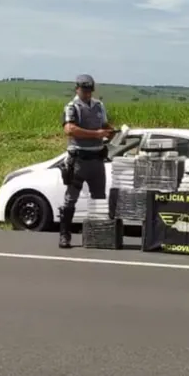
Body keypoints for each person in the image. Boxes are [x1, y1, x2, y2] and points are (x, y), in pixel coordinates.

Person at [58, 74, 114, 248]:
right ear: (77, 89)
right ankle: (65, 235)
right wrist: (95, 134)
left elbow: (105, 125)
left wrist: (111, 132)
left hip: (97, 158)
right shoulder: (72, 107)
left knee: (99, 199)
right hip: (79, 159)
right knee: (71, 199)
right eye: (84, 90)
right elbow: (70, 129)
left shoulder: (99, 106)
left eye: (90, 90)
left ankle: (97, 235)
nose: (87, 93)